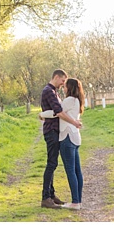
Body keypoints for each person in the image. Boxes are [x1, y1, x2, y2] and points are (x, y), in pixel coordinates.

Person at [40, 78, 85, 210]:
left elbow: (57, 112)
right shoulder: (77, 100)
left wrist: (42, 114)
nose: (63, 88)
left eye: (65, 86)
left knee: (70, 170)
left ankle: (75, 202)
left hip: (67, 136)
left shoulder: (68, 100)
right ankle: (78, 200)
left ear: (69, 88)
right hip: (76, 137)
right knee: (77, 170)